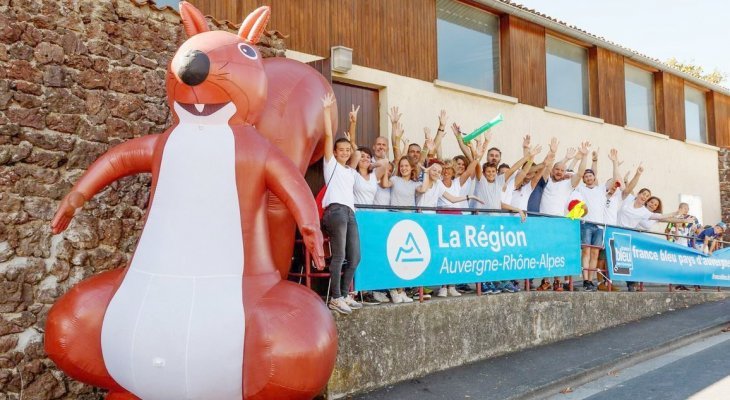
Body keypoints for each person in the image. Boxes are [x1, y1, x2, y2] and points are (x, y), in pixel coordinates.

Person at [320, 95, 363, 314]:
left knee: (355, 257)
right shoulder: (331, 166)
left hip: (350, 213)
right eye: (341, 150)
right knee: (339, 256)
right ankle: (335, 297)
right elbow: (329, 135)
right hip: (335, 211)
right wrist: (327, 110)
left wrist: (353, 123)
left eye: (347, 150)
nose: (346, 152)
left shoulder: (350, 170)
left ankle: (345, 294)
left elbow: (356, 152)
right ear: (335, 153)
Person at [617, 188, 696, 291]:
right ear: (647, 202)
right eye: (651, 202)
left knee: (639, 264)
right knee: (628, 261)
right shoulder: (640, 211)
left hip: (640, 241)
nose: (652, 205)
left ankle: (636, 284)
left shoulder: (652, 216)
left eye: (655, 205)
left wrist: (684, 219)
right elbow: (630, 194)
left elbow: (667, 218)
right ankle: (630, 284)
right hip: (630, 237)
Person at [538, 141, 590, 291]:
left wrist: (584, 156)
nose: (559, 171)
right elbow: (547, 167)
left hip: (560, 224)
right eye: (557, 169)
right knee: (545, 252)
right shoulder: (546, 181)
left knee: (558, 253)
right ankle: (545, 280)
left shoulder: (568, 185)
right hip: (544, 222)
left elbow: (580, 173)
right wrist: (554, 153)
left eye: (562, 170)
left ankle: (557, 281)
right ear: (554, 170)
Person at [574, 149, 621, 292]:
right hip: (586, 224)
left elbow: (615, 179)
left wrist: (614, 162)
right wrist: (589, 159)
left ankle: (591, 280)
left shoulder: (601, 189)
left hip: (600, 227)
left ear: (595, 178)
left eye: (591, 176)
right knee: (586, 253)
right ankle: (585, 280)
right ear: (583, 179)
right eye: (586, 176)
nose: (588, 178)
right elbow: (582, 172)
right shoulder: (581, 189)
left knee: (595, 254)